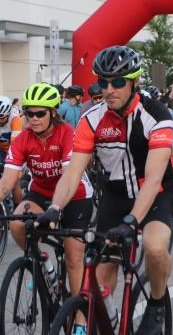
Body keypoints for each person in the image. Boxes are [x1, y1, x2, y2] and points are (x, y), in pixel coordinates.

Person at [38, 46, 173, 335]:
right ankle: (111, 326)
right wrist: (54, 208)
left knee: (154, 247)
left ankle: (157, 302)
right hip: (115, 196)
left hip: (155, 193)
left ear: (134, 82)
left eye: (117, 82)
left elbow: (152, 180)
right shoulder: (91, 118)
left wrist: (133, 222)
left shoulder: (156, 114)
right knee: (99, 284)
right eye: (103, 82)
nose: (109, 89)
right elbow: (73, 172)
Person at [0, 83, 93, 332]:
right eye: (29, 113)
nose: (33, 118)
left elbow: (67, 176)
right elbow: (8, 179)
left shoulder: (67, 133)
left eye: (40, 113)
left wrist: (57, 208)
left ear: (53, 112)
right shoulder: (23, 138)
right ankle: (44, 263)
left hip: (74, 194)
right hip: (40, 191)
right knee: (17, 222)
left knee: (74, 255)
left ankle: (80, 321)